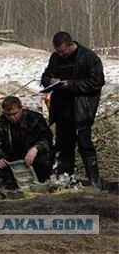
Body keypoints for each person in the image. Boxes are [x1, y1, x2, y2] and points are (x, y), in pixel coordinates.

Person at [40, 31, 105, 187]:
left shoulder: (88, 57)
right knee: (63, 145)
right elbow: (45, 76)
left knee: (84, 144)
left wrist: (72, 84)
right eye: (58, 52)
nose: (61, 55)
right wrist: (51, 80)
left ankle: (94, 181)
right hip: (61, 109)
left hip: (81, 109)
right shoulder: (55, 58)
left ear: (71, 44)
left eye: (63, 51)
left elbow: (97, 81)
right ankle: (65, 178)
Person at [0, 96, 53, 187]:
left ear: (21, 109)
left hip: (35, 160)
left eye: (15, 114)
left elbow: (47, 138)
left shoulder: (34, 118)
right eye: (8, 115)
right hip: (10, 162)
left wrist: (36, 148)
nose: (12, 118)